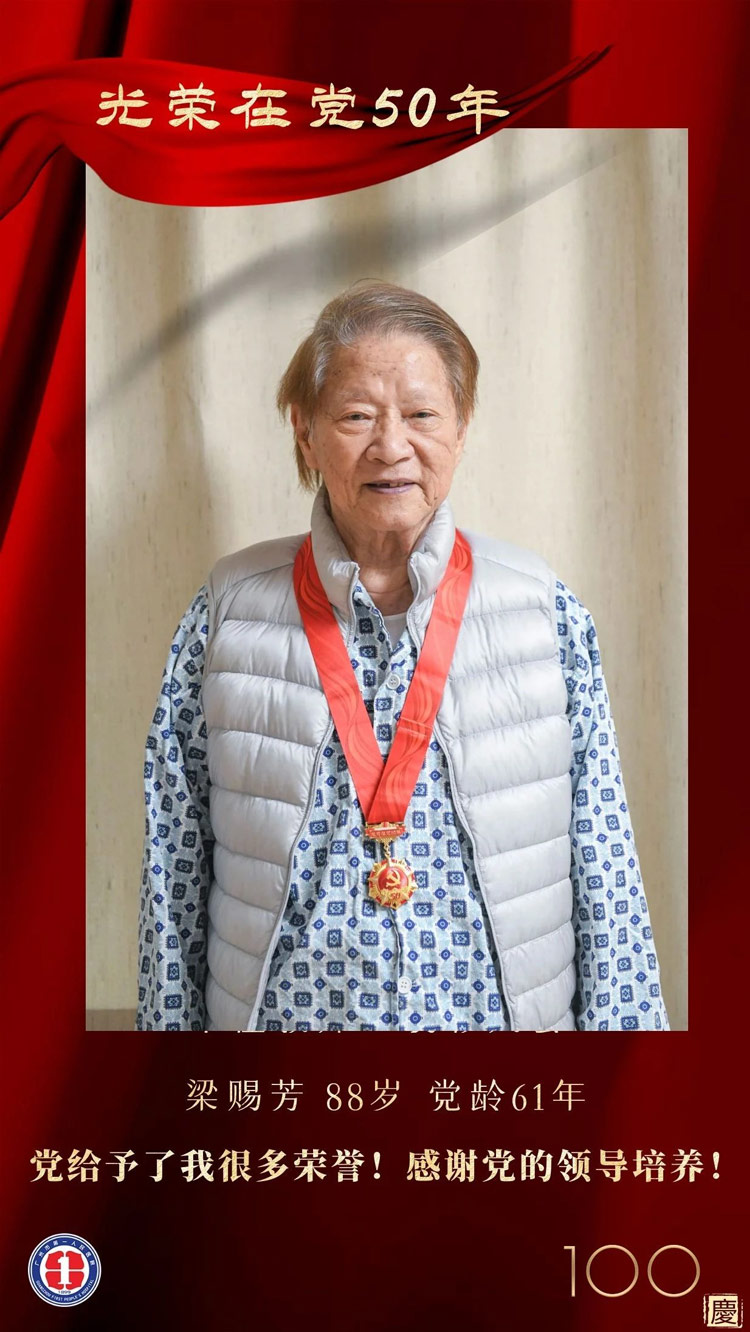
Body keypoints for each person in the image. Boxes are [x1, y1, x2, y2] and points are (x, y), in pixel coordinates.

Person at [136, 280, 669, 1033]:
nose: (391, 447)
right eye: (357, 416)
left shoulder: (543, 612)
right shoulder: (226, 611)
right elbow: (174, 862)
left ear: (461, 428)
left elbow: (605, 862)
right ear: (305, 432)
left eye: (421, 415)